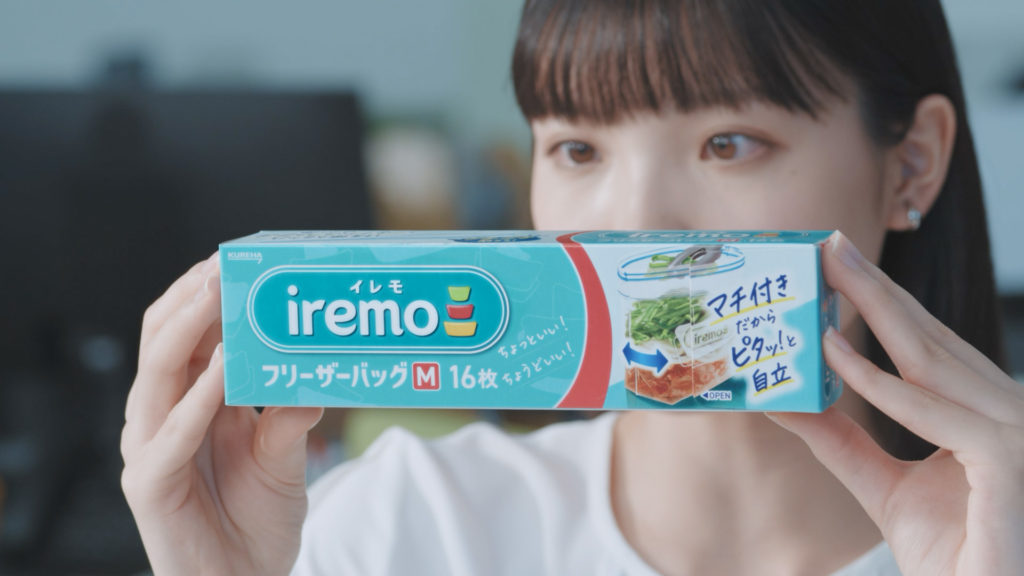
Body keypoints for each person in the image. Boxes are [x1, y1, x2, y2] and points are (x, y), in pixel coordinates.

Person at [120, 1, 1024, 574]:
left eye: (729, 143)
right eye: (579, 149)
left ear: (911, 164)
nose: (636, 224)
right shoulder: (406, 526)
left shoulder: (998, 540)